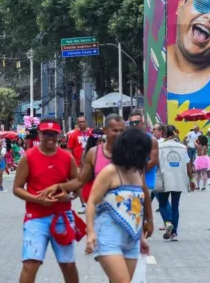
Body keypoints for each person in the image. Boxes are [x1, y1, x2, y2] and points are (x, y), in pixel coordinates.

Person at [12, 118, 79, 283]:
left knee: (68, 265)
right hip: (36, 217)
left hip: (62, 216)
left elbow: (76, 188)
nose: (50, 137)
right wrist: (37, 199)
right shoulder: (28, 157)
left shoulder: (67, 158)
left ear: (59, 135)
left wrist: (67, 196)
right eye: (46, 133)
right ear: (39, 134)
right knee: (30, 264)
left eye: (54, 134)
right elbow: (17, 188)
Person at [85, 128, 153, 282]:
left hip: (132, 238)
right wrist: (90, 232)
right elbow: (92, 201)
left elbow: (136, 208)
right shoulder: (110, 171)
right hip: (108, 235)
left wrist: (141, 237)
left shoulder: (138, 172)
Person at [156, 125, 195, 241]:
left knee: (162, 204)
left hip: (164, 178)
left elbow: (155, 163)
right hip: (179, 179)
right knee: (175, 206)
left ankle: (167, 222)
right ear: (174, 134)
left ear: (164, 134)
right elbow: (188, 164)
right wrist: (191, 180)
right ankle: (174, 233)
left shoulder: (159, 147)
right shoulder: (183, 147)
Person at [128, 111, 159, 203]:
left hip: (145, 183)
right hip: (128, 184)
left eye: (136, 122)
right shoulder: (126, 139)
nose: (134, 125)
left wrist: (136, 173)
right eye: (131, 123)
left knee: (141, 214)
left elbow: (153, 161)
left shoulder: (151, 140)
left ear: (142, 123)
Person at [67, 115, 92, 213]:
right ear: (77, 124)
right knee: (79, 184)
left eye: (83, 121)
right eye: (79, 122)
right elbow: (70, 149)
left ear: (86, 122)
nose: (81, 124)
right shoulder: (73, 135)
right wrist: (72, 161)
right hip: (77, 164)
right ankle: (84, 204)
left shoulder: (92, 133)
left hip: (91, 163)